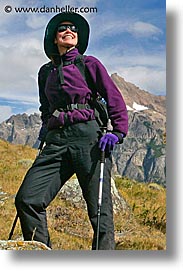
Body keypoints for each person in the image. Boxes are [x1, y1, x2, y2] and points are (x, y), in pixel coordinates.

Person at [15, 12, 128, 250]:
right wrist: (46, 130)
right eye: (63, 28)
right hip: (56, 141)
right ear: (54, 38)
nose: (69, 30)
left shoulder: (89, 64)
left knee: (99, 210)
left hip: (89, 138)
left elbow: (113, 97)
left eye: (74, 29)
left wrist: (117, 132)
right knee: (27, 199)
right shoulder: (45, 72)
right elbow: (45, 108)